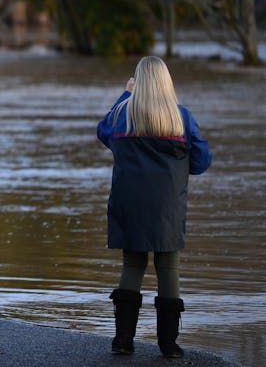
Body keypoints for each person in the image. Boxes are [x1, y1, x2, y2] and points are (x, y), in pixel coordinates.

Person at [97, 56, 212, 358]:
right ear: (167, 82)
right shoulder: (182, 118)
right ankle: (168, 344)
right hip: (167, 206)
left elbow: (102, 132)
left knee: (132, 265)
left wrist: (125, 94)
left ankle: (122, 341)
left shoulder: (123, 116)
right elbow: (201, 163)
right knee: (168, 268)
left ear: (138, 83)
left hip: (129, 202)